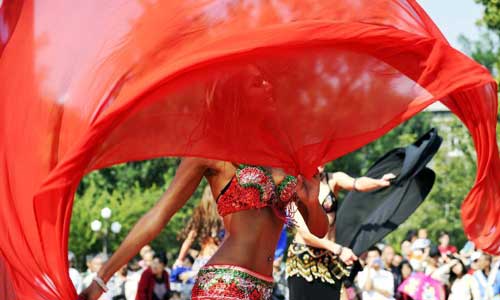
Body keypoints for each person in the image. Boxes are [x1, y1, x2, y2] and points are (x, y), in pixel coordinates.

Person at [286, 167, 395, 300]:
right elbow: (305, 234)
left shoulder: (332, 179)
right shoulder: (295, 185)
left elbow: (358, 183)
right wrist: (338, 249)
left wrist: (379, 182)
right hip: (304, 261)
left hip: (330, 259)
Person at [173, 185, 223, 281]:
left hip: (202, 260)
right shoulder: (224, 216)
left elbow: (189, 239)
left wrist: (179, 260)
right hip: (218, 262)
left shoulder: (200, 216)